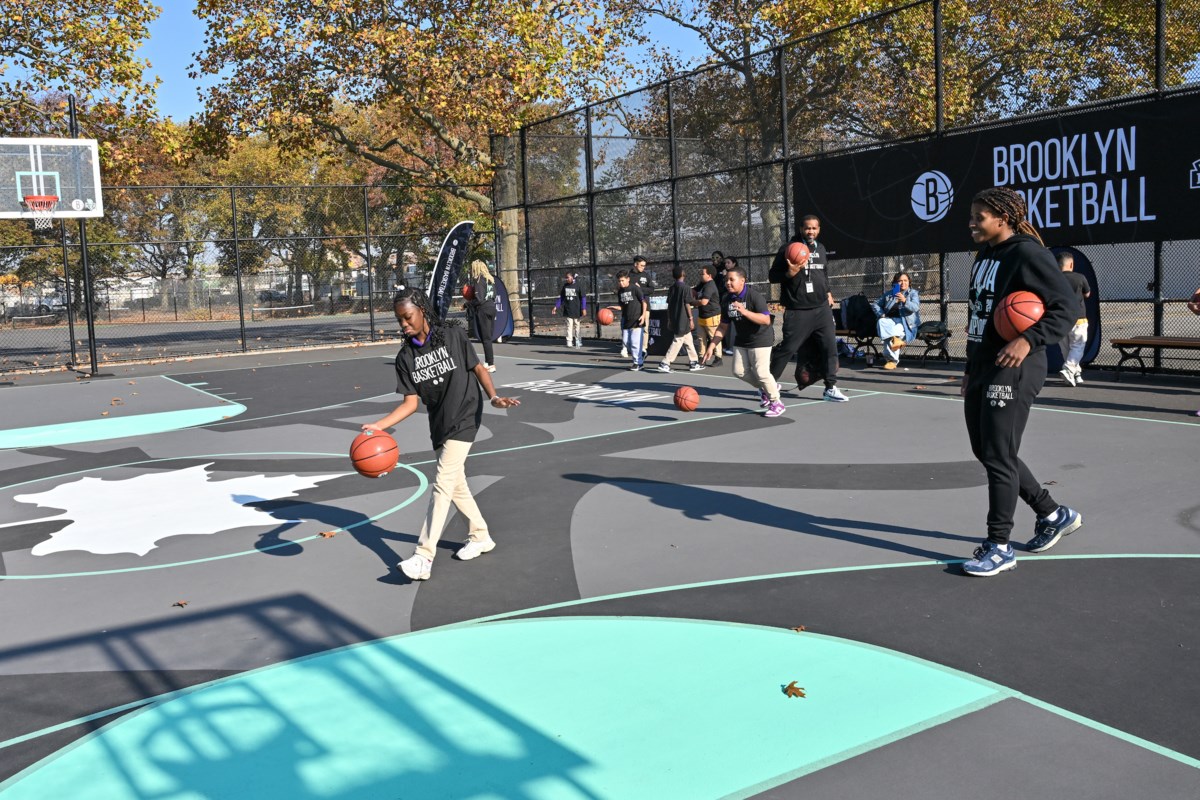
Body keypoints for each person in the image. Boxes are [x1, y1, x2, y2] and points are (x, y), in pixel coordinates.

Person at [960, 186, 1082, 577]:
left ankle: (999, 546)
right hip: (985, 363)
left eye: (980, 217)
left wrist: (1027, 339)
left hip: (1016, 365)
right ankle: (1053, 513)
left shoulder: (1028, 253)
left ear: (1003, 218)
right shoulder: (985, 255)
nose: (972, 223)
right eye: (972, 216)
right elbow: (979, 315)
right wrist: (969, 367)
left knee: (998, 454)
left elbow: (1066, 309)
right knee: (989, 451)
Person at [363, 286, 521, 582]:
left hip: (466, 414)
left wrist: (494, 397)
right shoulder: (405, 357)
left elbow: (478, 369)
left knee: (442, 481)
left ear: (422, 310)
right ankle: (480, 535)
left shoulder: (453, 335)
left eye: (408, 317)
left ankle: (424, 556)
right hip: (440, 423)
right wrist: (381, 425)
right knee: (456, 484)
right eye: (399, 320)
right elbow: (411, 403)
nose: (404, 324)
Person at [767, 215, 848, 402]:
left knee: (829, 348)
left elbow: (823, 273)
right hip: (798, 309)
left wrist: (827, 291)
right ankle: (767, 385)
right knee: (787, 349)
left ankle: (830, 387)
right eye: (807, 228)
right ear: (801, 229)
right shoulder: (788, 248)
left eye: (814, 228)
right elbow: (773, 276)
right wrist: (789, 273)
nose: (811, 231)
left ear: (818, 229)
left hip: (821, 309)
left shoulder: (821, 248)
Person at [702, 265, 784, 417]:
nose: (728, 283)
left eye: (731, 280)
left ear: (742, 281)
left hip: (761, 338)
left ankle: (776, 402)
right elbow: (722, 326)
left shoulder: (753, 296)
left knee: (761, 372)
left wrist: (745, 311)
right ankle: (769, 387)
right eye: (726, 280)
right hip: (742, 340)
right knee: (738, 371)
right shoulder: (726, 299)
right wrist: (711, 345)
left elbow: (766, 320)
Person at [656, 265, 705, 373]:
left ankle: (694, 362)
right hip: (683, 318)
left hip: (674, 317)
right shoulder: (686, 288)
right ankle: (665, 362)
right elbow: (687, 304)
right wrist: (691, 318)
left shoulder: (672, 288)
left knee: (688, 340)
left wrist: (669, 319)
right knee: (678, 340)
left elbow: (668, 305)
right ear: (683, 274)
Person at [873, 272, 921, 370]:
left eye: (905, 281)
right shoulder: (890, 294)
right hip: (890, 320)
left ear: (909, 282)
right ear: (895, 283)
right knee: (881, 321)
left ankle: (892, 361)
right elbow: (875, 304)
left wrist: (904, 301)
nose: (903, 283)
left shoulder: (913, 293)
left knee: (890, 335)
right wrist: (881, 314)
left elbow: (915, 307)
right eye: (900, 281)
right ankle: (896, 340)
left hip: (906, 323)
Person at [1056, 251, 1091, 387]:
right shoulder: (1079, 277)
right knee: (1077, 346)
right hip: (1078, 318)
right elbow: (1087, 294)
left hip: (1060, 319)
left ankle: (1076, 373)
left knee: (1065, 348)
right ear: (1071, 264)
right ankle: (1069, 369)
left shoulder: (1054, 278)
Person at [464, 259, 497, 372]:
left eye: (472, 268)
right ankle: (488, 362)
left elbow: (479, 300)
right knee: (488, 337)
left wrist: (467, 304)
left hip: (483, 309)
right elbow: (494, 296)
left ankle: (491, 364)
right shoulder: (490, 279)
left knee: (485, 338)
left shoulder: (479, 280)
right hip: (492, 307)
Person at [613, 270, 647, 370]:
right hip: (626, 319)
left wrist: (643, 315)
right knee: (626, 343)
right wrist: (612, 309)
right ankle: (643, 353)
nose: (621, 283)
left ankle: (638, 363)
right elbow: (622, 307)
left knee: (635, 343)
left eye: (623, 280)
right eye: (619, 281)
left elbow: (644, 302)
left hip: (637, 318)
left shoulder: (635, 288)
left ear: (628, 279)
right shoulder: (620, 291)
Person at [693, 264, 722, 366]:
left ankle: (718, 358)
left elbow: (704, 302)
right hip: (702, 315)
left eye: (702, 273)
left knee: (714, 337)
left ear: (709, 275)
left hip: (712, 316)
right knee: (701, 338)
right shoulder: (702, 284)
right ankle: (701, 358)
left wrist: (692, 302)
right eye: (700, 273)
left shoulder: (710, 286)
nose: (700, 275)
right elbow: (694, 291)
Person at [552, 270, 587, 348]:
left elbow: (583, 298)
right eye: (566, 278)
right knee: (569, 326)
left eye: (568, 277)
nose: (566, 279)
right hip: (568, 309)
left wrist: (584, 308)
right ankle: (569, 341)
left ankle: (578, 340)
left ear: (572, 277)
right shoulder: (565, 286)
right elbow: (561, 298)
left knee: (577, 326)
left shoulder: (579, 285)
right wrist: (556, 307)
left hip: (577, 310)